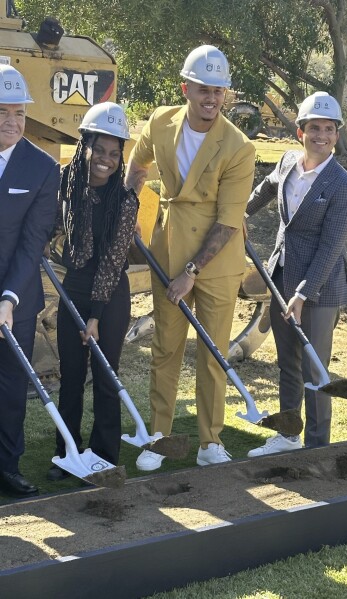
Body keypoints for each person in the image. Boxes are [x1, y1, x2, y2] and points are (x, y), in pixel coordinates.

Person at [125, 45, 255, 471]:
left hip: (216, 263)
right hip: (167, 251)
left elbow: (227, 222)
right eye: (203, 89)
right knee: (166, 349)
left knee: (213, 354)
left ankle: (209, 442)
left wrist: (191, 273)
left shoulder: (239, 146)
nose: (212, 98)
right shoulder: (161, 122)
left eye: (219, 91)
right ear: (186, 88)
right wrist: (130, 208)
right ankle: (158, 438)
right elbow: (137, 164)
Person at [245, 91, 347, 455]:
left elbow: (330, 248)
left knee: (316, 371)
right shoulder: (288, 162)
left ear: (337, 135)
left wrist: (303, 293)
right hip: (280, 278)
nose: (320, 135)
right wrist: (240, 215)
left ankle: (317, 448)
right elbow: (265, 189)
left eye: (328, 129)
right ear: (300, 132)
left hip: (320, 290)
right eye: (314, 128)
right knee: (287, 363)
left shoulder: (343, 186)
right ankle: (289, 435)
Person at [47, 102, 139, 481]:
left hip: (110, 295)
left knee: (105, 375)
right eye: (99, 150)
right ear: (84, 145)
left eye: (114, 154)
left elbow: (112, 263)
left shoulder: (125, 200)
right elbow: (51, 224)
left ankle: (103, 454)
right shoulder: (65, 185)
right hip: (73, 288)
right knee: (70, 376)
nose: (106, 160)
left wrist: (96, 316)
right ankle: (67, 452)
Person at [0, 64, 59, 497]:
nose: (12, 123)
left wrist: (8, 297)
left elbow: (33, 241)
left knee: (10, 387)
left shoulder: (41, 168)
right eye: (3, 112)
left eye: (19, 113)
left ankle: (7, 467)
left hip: (15, 297)